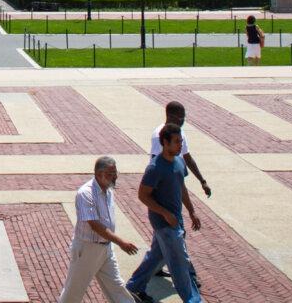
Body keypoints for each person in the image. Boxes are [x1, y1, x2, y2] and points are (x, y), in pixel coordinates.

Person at [125, 124, 202, 303]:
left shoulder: (179, 162)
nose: (180, 145)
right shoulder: (155, 168)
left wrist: (191, 211)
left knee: (156, 257)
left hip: (176, 220)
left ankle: (133, 288)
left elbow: (181, 187)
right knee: (180, 263)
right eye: (176, 142)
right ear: (165, 143)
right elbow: (143, 195)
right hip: (164, 223)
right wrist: (164, 213)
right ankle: (193, 300)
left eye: (181, 141)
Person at [57, 156, 139, 303]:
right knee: (73, 293)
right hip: (87, 250)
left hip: (106, 248)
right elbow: (95, 225)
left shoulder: (108, 190)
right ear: (98, 174)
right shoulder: (85, 193)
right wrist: (121, 242)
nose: (114, 176)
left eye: (115, 172)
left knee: (117, 286)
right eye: (110, 173)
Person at [150, 102, 211, 198]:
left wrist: (202, 181)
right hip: (163, 186)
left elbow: (187, 157)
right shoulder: (159, 135)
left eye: (184, 118)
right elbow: (155, 161)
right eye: (180, 118)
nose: (183, 121)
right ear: (170, 117)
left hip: (175, 181)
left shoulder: (179, 132)